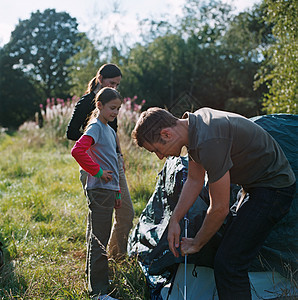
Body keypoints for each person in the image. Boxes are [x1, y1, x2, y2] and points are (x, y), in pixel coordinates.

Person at [131, 107, 296, 300]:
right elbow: (194, 179)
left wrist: (197, 243)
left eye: (157, 150)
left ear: (166, 134)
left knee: (229, 264)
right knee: (228, 249)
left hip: (274, 189)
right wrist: (175, 219)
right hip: (255, 187)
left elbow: (219, 208)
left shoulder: (208, 140)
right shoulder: (194, 127)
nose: (160, 157)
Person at [67, 63, 134, 260]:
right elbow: (71, 133)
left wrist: (119, 156)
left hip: (113, 165)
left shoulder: (113, 101)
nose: (114, 87)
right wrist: (95, 141)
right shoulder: (88, 101)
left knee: (126, 213)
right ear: (100, 79)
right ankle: (96, 261)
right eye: (111, 83)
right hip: (94, 167)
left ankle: (115, 256)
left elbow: (113, 132)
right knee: (97, 218)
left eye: (117, 84)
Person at [71, 87, 122, 300]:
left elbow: (113, 161)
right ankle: (99, 292)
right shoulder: (95, 127)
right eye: (112, 108)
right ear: (99, 105)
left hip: (109, 191)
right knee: (100, 240)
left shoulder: (109, 130)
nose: (115, 113)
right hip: (99, 190)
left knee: (99, 236)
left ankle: (95, 281)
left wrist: (118, 193)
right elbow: (77, 150)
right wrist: (98, 172)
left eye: (118, 109)